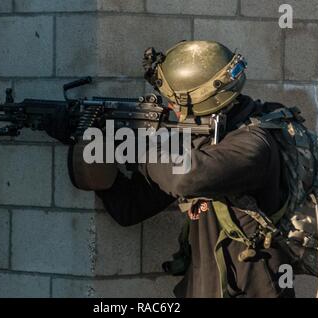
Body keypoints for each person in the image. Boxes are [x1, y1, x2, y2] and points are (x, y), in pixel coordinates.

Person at [48, 41, 296, 298]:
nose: (172, 110)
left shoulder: (253, 145)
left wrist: (135, 144)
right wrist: (88, 144)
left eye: (175, 103)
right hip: (207, 287)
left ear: (200, 100)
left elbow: (185, 177)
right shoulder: (201, 143)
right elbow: (130, 208)